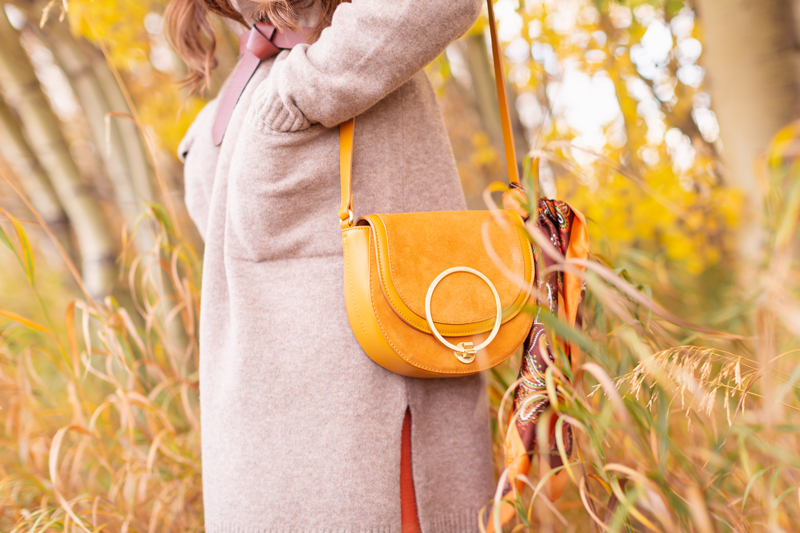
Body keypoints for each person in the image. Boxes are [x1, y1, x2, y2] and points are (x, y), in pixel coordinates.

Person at [166, 0, 494, 530]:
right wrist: (291, 98)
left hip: (322, 417)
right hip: (352, 400)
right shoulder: (291, 78)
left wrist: (285, 99)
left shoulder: (275, 82)